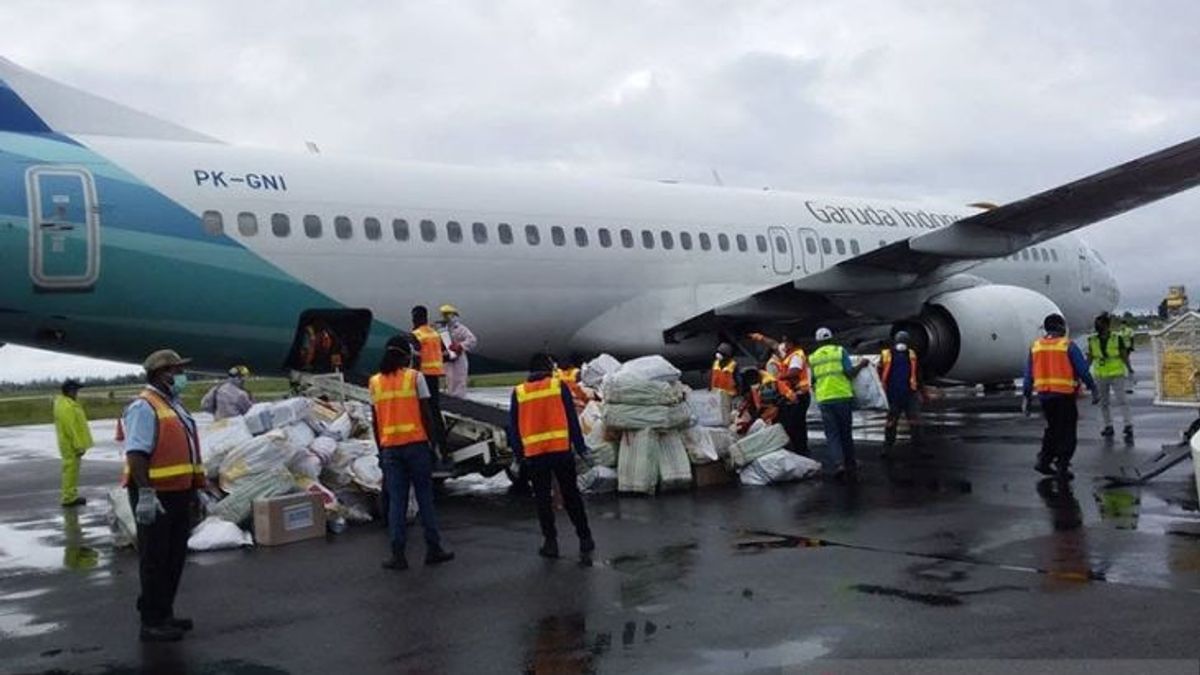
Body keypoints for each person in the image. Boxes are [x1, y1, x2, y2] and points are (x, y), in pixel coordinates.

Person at [122, 349, 205, 642]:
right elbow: (136, 454)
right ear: (162, 373)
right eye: (177, 370)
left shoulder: (174, 404)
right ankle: (152, 621)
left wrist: (195, 491)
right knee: (155, 559)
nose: (181, 375)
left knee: (174, 557)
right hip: (156, 495)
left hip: (179, 493)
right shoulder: (144, 407)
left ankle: (165, 612)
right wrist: (145, 493)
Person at [369, 336, 455, 571]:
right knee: (425, 498)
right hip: (416, 446)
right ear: (406, 355)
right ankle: (433, 548)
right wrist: (434, 444)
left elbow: (375, 421)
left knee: (397, 501)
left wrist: (381, 448)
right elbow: (427, 414)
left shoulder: (375, 382)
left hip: (390, 449)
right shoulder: (415, 377)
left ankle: (398, 554)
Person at [507, 353, 595, 563]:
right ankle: (585, 538)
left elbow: (514, 428)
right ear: (547, 367)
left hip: (535, 455)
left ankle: (551, 543)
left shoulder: (518, 392)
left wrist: (519, 455)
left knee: (543, 500)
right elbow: (572, 419)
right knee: (571, 495)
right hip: (560, 451)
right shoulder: (557, 387)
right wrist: (580, 446)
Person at [1023, 314, 1098, 480]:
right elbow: (1082, 370)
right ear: (1059, 327)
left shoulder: (1035, 346)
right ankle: (1062, 465)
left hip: (1045, 396)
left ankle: (1044, 459)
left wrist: (1027, 397)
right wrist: (1093, 388)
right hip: (1064, 395)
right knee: (1067, 431)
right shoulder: (1067, 345)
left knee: (1052, 429)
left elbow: (1028, 375)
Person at [809, 327, 869, 479]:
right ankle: (850, 462)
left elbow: (813, 380)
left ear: (818, 342)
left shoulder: (813, 357)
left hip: (824, 399)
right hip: (842, 397)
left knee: (832, 434)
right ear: (831, 338)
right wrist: (861, 365)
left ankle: (838, 463)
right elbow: (849, 373)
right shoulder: (839, 351)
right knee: (845, 432)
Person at [1087, 314, 1134, 441]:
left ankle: (1128, 425)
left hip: (1116, 373)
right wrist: (1085, 371)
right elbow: (1090, 356)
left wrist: (1129, 368)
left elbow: (1124, 354)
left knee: (1122, 400)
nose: (1097, 327)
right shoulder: (1092, 340)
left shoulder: (1116, 338)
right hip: (1101, 374)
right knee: (1104, 403)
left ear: (1107, 325)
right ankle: (1108, 426)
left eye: (1100, 324)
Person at [879, 331, 923, 455]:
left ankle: (916, 448)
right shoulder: (888, 355)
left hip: (906, 393)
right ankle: (888, 448)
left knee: (911, 421)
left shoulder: (911, 355)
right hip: (897, 394)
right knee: (893, 422)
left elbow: (917, 374)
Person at [411, 305, 448, 452]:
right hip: (435, 374)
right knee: (435, 410)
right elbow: (445, 352)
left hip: (422, 376)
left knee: (423, 412)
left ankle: (430, 444)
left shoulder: (417, 335)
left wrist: (412, 376)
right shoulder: (434, 333)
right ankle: (443, 444)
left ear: (416, 318)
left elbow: (416, 358)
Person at [53, 379, 93, 507]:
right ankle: (68, 497)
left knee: (72, 471)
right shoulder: (66, 406)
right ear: (70, 391)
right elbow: (71, 428)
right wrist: (78, 445)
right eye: (75, 390)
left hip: (70, 443)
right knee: (70, 471)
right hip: (70, 444)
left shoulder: (67, 403)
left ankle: (71, 495)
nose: (77, 393)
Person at [440, 304, 478, 398]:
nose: (447, 317)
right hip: (448, 359)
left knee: (460, 379)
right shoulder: (442, 330)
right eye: (444, 314)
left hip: (459, 359)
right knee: (450, 380)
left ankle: (460, 400)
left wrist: (460, 346)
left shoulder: (461, 329)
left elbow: (472, 340)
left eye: (448, 314)